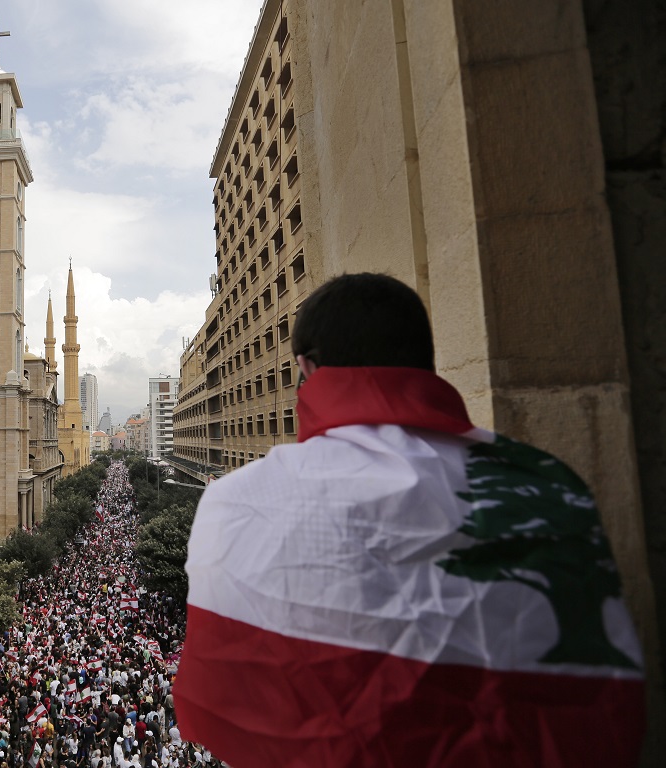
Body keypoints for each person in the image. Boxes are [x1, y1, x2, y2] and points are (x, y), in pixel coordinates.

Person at [174, 273, 646, 766]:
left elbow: (226, 702)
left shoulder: (242, 500)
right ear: (424, 359)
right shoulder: (549, 486)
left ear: (305, 368)